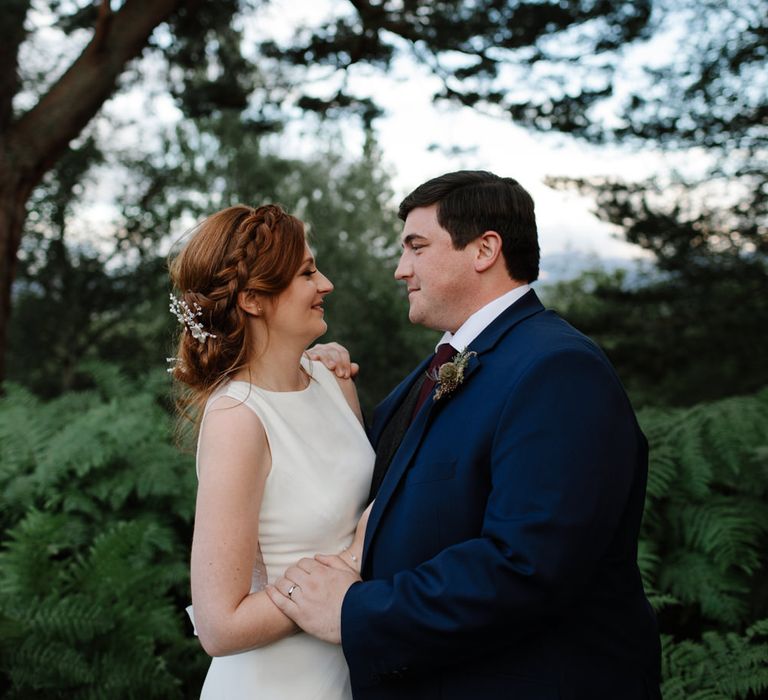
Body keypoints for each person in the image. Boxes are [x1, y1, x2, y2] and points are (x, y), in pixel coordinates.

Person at [268, 171, 663, 699]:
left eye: (416, 246)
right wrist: (323, 393)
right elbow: (375, 479)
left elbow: (526, 565)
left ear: (484, 250)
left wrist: (353, 610)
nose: (400, 269)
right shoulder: (444, 364)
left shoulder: (559, 370)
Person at [168, 204, 374, 699]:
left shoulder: (332, 380)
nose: (325, 283)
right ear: (254, 299)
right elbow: (220, 628)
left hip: (352, 672)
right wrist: (355, 557)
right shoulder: (238, 418)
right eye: (306, 272)